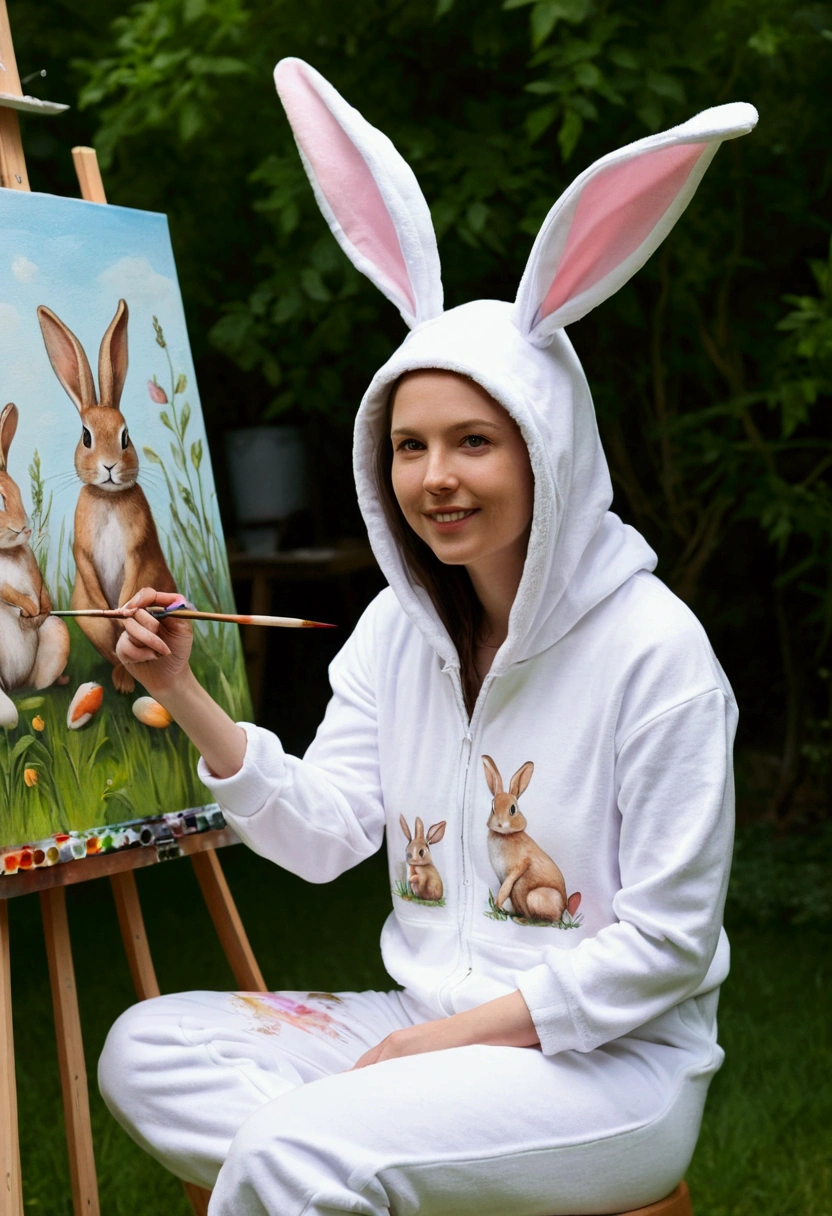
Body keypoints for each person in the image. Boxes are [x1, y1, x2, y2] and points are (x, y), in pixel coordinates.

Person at [98, 61, 758, 1216]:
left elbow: (662, 944)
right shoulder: (397, 638)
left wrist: (450, 1047)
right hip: (420, 1026)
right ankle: (344, 1155)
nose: (435, 478)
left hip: (605, 1069)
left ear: (547, 448)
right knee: (149, 1047)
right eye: (409, 446)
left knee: (293, 1154)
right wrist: (186, 692)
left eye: (473, 443)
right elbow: (323, 838)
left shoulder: (657, 653)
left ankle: (323, 1157)